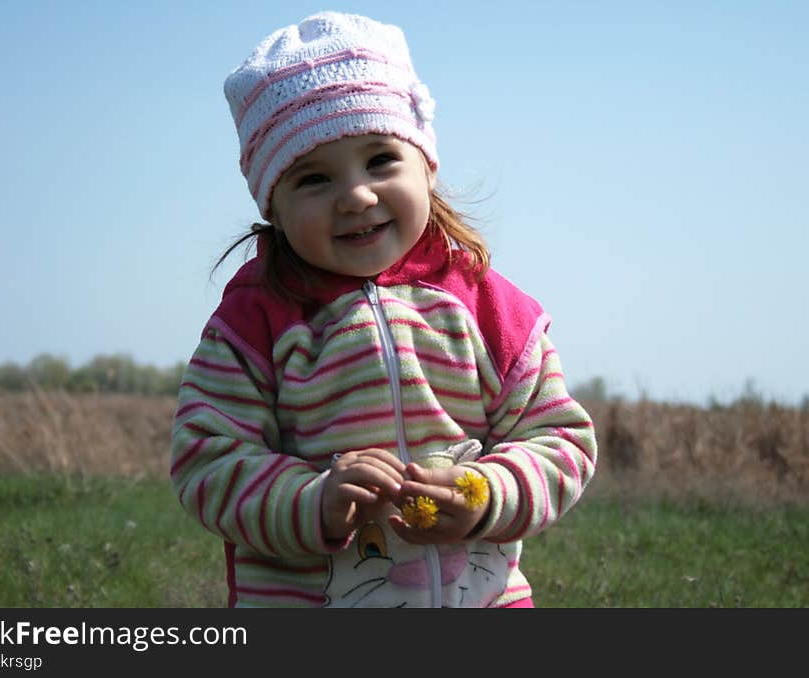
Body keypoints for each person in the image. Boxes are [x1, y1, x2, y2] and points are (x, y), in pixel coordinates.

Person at [170, 10, 598, 608]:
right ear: (273, 204)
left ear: (425, 162)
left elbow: (559, 439)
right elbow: (206, 461)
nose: (356, 196)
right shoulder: (254, 325)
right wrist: (311, 500)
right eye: (314, 179)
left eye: (380, 160)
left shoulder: (487, 306)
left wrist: (486, 492)